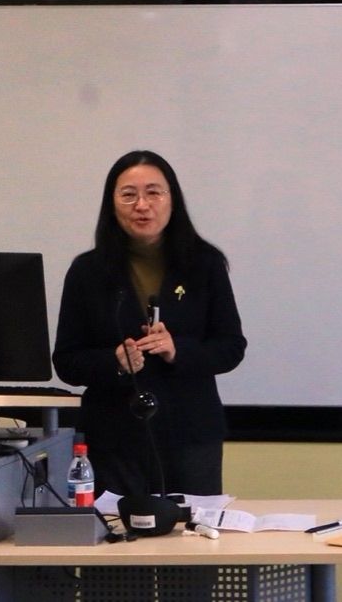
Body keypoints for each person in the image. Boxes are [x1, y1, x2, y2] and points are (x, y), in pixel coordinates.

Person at [52, 150, 246, 497]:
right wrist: (114, 362)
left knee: (190, 529)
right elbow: (67, 361)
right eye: (128, 195)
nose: (142, 205)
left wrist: (177, 351)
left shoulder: (205, 264)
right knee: (114, 529)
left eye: (153, 192)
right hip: (114, 437)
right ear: (112, 204)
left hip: (191, 434)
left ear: (172, 199)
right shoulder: (87, 271)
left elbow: (230, 347)